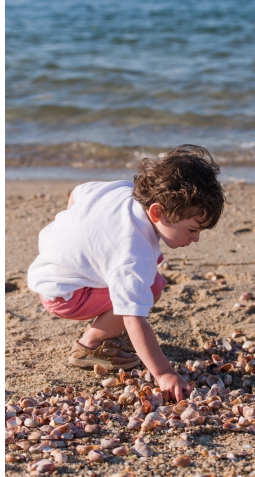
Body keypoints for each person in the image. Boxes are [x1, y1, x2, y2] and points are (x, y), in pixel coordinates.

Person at [27, 144, 227, 402]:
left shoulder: (123, 190)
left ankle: (104, 327)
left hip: (54, 270)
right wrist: (164, 373)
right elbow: (134, 317)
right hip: (65, 296)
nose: (196, 238)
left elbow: (78, 194)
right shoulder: (133, 255)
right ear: (158, 212)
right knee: (151, 287)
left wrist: (79, 232)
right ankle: (89, 345)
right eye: (191, 230)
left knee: (144, 279)